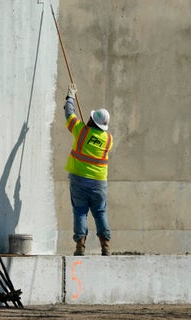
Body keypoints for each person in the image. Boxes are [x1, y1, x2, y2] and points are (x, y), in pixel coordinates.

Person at [62, 83, 114, 256]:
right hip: (99, 183)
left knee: (80, 212)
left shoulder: (81, 131)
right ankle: (105, 246)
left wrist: (70, 96)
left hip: (79, 180)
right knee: (100, 212)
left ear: (92, 120)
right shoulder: (108, 139)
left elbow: (69, 114)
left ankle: (80, 246)